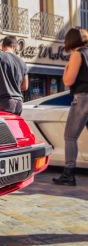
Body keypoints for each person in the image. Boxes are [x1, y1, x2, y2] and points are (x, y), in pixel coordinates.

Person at [52, 27, 88, 186]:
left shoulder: (77, 54)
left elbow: (68, 81)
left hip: (83, 98)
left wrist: (66, 68)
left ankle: (68, 174)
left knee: (70, 137)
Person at [0, 35, 28, 115]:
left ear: (2, 46)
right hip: (18, 102)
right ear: (15, 46)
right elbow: (25, 86)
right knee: (14, 127)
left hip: (3, 101)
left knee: (1, 127)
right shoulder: (22, 63)